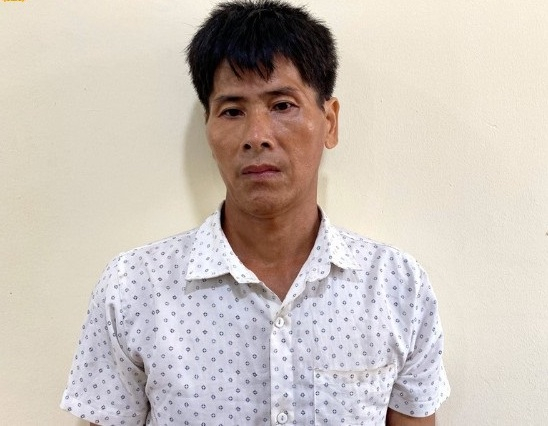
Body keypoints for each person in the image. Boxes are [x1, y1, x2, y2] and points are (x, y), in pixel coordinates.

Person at [60, 1, 450, 425]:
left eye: (282, 105)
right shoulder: (134, 288)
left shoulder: (397, 287)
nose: (257, 136)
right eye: (232, 111)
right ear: (208, 127)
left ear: (330, 122)